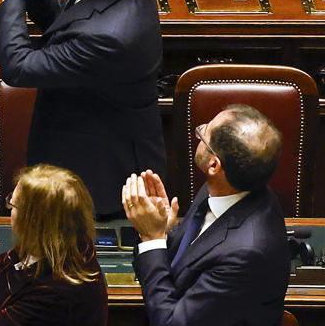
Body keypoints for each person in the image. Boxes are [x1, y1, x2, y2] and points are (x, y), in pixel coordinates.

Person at [0, 0, 165, 216]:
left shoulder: (112, 36)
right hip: (81, 142)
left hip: (100, 178)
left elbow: (19, 67)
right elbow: (67, 21)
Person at [123, 104, 290, 326]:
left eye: (203, 133)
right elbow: (186, 266)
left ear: (214, 165)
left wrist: (151, 239)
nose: (199, 134)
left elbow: (171, 323)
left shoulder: (245, 255)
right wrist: (163, 232)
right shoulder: (226, 188)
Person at [0, 165, 108, 326]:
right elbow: (6, 280)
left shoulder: (59, 293)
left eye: (12, 204)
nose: (9, 209)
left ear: (32, 221)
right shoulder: (57, 245)